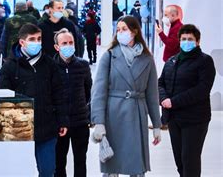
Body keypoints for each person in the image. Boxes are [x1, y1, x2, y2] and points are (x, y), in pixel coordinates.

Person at [91, 16, 162, 177]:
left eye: (124, 29)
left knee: (136, 164)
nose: (120, 33)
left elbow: (152, 94)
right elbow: (98, 92)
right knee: (112, 164)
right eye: (118, 30)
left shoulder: (147, 59)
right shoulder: (109, 56)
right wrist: (99, 122)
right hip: (113, 114)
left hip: (137, 114)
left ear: (134, 31)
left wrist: (157, 125)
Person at [0, 23, 69, 177]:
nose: (36, 42)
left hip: (47, 126)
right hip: (19, 129)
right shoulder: (10, 66)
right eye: (32, 39)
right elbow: (2, 98)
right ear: (22, 42)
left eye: (39, 39)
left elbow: (59, 92)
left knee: (48, 170)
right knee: (20, 170)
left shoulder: (49, 64)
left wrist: (63, 120)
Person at [158, 24, 216, 177]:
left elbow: (202, 89)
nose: (186, 41)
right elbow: (161, 83)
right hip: (174, 118)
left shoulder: (205, 61)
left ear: (197, 42)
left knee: (190, 160)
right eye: (183, 39)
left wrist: (174, 101)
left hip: (195, 119)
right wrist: (163, 98)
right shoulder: (172, 61)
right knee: (180, 161)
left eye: (190, 39)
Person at [53, 29, 92, 177]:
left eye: (71, 43)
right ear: (57, 46)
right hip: (59, 123)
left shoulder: (83, 65)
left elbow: (89, 91)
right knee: (59, 162)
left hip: (80, 122)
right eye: (64, 43)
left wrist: (86, 112)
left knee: (80, 161)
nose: (68, 45)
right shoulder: (51, 66)